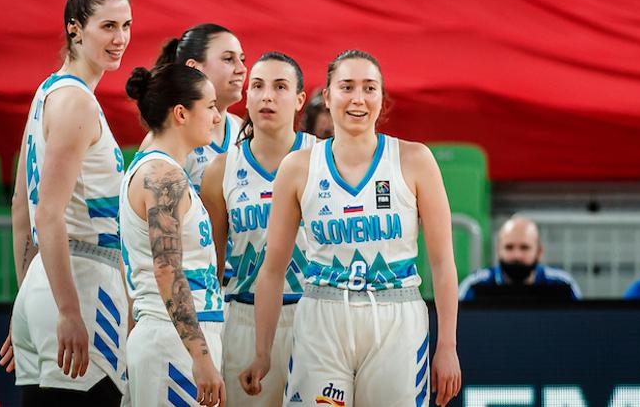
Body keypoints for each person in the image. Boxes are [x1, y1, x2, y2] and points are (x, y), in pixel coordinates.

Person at [240, 49, 462, 406]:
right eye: (347, 87)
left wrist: (447, 346)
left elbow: (442, 264)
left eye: (369, 88)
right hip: (321, 316)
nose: (358, 99)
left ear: (381, 98)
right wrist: (263, 351)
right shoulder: (298, 167)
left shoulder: (415, 159)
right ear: (327, 96)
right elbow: (273, 269)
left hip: (397, 316)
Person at [3, 0, 132, 405]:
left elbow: (21, 205)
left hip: (45, 283)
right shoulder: (76, 101)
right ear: (74, 30)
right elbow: (47, 213)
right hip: (82, 285)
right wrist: (67, 310)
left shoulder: (45, 92)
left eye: (126, 26)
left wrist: (30, 299)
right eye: (108, 26)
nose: (121, 39)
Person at [200, 52, 317, 407]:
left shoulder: (325, 159)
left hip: (315, 316)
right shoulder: (220, 170)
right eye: (258, 86)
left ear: (299, 99)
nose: (267, 95)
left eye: (280, 87)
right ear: (246, 96)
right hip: (243, 319)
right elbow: (213, 266)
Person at [120, 63, 226, 407]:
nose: (217, 117)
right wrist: (200, 357)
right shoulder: (163, 176)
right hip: (173, 343)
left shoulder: (153, 167)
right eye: (210, 106)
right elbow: (166, 269)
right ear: (181, 113)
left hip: (166, 338)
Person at [150, 23, 246, 190]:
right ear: (193, 68)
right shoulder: (167, 135)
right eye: (228, 59)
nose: (242, 69)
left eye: (242, 59)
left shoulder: (243, 130)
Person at [458, 216, 582, 300]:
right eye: (509, 247)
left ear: (539, 252)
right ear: (498, 250)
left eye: (524, 248)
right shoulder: (473, 286)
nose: (516, 255)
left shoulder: (563, 284)